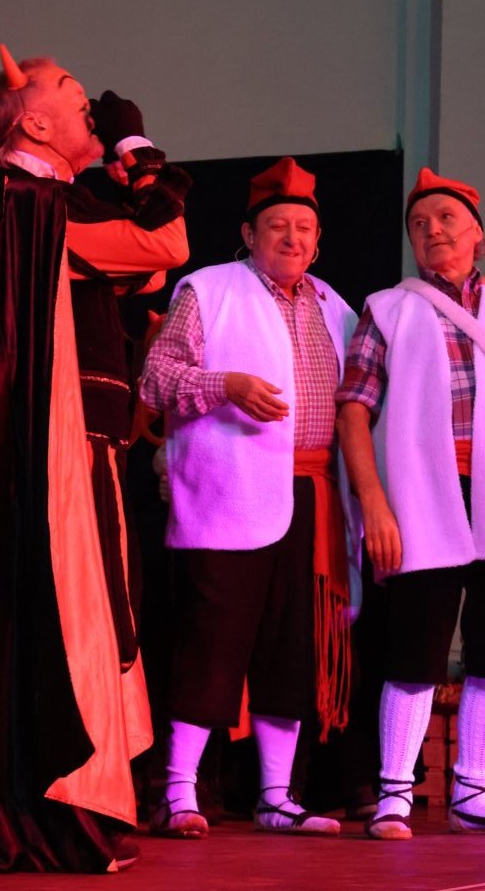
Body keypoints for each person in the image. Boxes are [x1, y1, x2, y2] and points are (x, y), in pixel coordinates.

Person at [0, 46, 189, 874]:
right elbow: (166, 241)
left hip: (88, 437)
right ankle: (58, 804)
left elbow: (140, 274)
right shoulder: (26, 208)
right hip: (57, 451)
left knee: (103, 617)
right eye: (70, 90)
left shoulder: (53, 206)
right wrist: (138, 153)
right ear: (31, 121)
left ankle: (73, 800)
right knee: (73, 621)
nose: (88, 102)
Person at [140, 156, 360, 838]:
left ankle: (275, 795)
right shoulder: (209, 290)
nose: (292, 238)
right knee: (213, 641)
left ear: (317, 241)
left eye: (304, 228)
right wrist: (226, 385)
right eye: (277, 226)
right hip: (228, 491)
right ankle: (179, 790)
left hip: (313, 496)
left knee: (289, 647)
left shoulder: (336, 307)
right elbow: (156, 377)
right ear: (248, 233)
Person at [336, 167, 485, 840]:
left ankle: (472, 788)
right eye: (419, 224)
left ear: (476, 232)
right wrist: (374, 501)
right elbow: (354, 410)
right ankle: (396, 790)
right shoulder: (389, 308)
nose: (432, 231)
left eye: (446, 218)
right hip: (424, 496)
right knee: (416, 645)